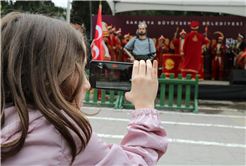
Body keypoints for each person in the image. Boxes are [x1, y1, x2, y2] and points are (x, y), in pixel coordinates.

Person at [0, 12, 168, 165]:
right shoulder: (64, 132)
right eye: (79, 69)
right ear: (49, 76)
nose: (87, 85)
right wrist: (145, 106)